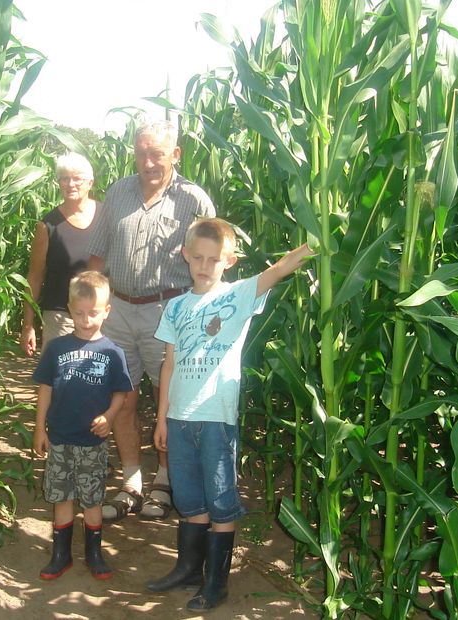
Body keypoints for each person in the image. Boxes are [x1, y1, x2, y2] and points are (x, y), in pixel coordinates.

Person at [149, 218, 314, 610]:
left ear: (230, 261)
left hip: (216, 419)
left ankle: (215, 584)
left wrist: (313, 243)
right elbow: (168, 365)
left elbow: (278, 269)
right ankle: (188, 568)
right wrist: (161, 418)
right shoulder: (175, 307)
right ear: (185, 256)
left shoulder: (238, 295)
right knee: (189, 500)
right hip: (179, 418)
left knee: (220, 501)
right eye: (197, 258)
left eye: (214, 259)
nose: (204, 266)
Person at [86, 119, 215, 522]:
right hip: (120, 310)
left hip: (170, 311)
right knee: (122, 398)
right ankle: (131, 481)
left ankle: (164, 480)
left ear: (174, 154)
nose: (147, 162)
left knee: (168, 399)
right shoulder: (118, 191)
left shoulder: (193, 200)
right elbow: (98, 254)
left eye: (156, 153)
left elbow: (215, 258)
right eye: (141, 153)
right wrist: (92, 301)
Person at [32, 271, 133, 580]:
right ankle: (60, 555)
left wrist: (110, 416)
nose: (85, 319)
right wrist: (40, 429)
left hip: (92, 441)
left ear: (106, 311)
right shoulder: (56, 348)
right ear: (69, 308)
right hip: (60, 438)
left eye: (93, 313)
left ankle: (94, 553)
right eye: (78, 313)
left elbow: (121, 392)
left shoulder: (112, 352)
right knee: (61, 497)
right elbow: (46, 389)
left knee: (92, 499)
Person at [20, 153, 99, 356]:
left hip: (99, 316)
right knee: (59, 380)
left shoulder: (106, 217)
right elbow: (34, 277)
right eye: (64, 178)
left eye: (77, 178)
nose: (70, 184)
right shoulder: (47, 225)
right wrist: (28, 325)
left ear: (90, 182)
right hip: (60, 316)